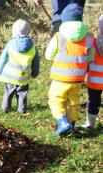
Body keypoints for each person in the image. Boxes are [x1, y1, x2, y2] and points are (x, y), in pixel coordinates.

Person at [45, 3, 94, 136]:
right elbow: (91, 57)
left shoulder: (59, 37)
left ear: (64, 18)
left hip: (60, 79)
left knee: (56, 99)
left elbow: (48, 55)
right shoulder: (89, 38)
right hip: (78, 79)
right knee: (74, 102)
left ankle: (62, 123)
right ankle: (72, 126)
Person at [0, 19, 40, 114]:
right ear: (28, 31)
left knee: (8, 92)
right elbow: (36, 61)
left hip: (10, 75)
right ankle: (22, 109)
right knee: (22, 93)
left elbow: (3, 58)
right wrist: (35, 73)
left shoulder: (10, 44)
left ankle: (6, 108)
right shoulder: (32, 46)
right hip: (24, 76)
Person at [82, 15, 103, 130]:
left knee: (93, 102)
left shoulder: (92, 43)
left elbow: (87, 60)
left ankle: (90, 124)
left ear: (99, 26)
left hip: (94, 81)